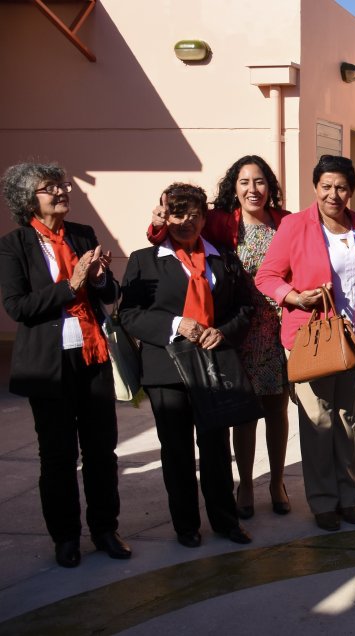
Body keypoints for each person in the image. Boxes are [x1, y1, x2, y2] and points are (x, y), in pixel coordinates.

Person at [0, 162, 129, 567]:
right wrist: (68, 286)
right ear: (29, 200)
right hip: (48, 365)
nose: (61, 191)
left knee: (101, 449)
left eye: (61, 184)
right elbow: (17, 307)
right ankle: (66, 537)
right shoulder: (14, 244)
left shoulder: (82, 234)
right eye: (49, 187)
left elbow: (107, 293)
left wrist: (98, 278)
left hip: (92, 356)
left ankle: (105, 528)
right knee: (57, 455)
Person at [148, 156, 291, 519]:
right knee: (243, 411)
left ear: (269, 186)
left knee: (276, 408)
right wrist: (156, 222)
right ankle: (244, 483)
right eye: (244, 182)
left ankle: (277, 482)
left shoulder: (285, 222)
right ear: (234, 187)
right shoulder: (219, 221)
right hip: (234, 329)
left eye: (259, 182)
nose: (252, 189)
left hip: (276, 328)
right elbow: (178, 233)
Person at [120, 182, 253, 548]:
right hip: (168, 369)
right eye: (179, 213)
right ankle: (186, 526)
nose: (187, 222)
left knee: (215, 449)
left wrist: (222, 333)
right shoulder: (144, 260)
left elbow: (245, 307)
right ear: (165, 216)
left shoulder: (222, 257)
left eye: (195, 214)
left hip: (213, 367)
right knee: (176, 451)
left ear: (204, 217)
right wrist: (177, 324)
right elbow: (128, 314)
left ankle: (225, 521)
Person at [256, 155, 355, 532]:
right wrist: (295, 297)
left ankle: (348, 497)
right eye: (326, 186)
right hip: (311, 339)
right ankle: (324, 501)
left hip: (351, 339)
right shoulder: (295, 226)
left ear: (351, 191)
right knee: (318, 420)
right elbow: (267, 275)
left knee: (345, 419)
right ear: (315, 188)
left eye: (341, 187)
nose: (333, 194)